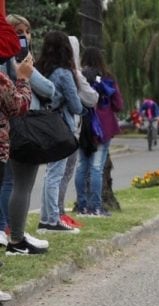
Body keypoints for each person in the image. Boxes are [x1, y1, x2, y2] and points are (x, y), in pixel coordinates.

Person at [3, 13, 54, 255]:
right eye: (18, 32)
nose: (24, 37)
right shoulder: (10, 61)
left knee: (16, 182)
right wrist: (27, 73)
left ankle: (14, 234)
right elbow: (47, 89)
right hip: (19, 127)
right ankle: (15, 237)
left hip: (17, 127)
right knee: (19, 183)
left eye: (27, 31)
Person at [35, 30, 83, 234]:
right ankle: (52, 219)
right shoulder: (64, 73)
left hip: (45, 125)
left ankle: (46, 218)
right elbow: (76, 106)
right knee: (57, 173)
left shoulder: (41, 69)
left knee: (49, 174)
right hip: (62, 127)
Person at [74, 46, 123, 218]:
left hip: (83, 125)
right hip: (103, 127)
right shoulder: (108, 77)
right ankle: (95, 206)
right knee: (96, 167)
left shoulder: (79, 76)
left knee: (82, 166)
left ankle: (81, 205)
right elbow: (118, 104)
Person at [57, 35, 98, 229]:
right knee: (63, 172)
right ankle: (57, 213)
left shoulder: (46, 69)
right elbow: (89, 98)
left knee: (59, 172)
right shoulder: (70, 73)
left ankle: (56, 212)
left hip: (53, 126)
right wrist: (81, 110)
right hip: (68, 127)